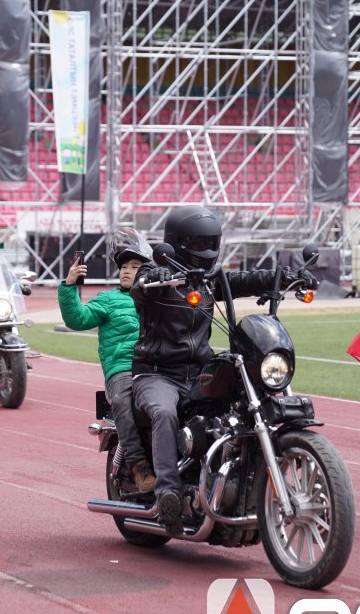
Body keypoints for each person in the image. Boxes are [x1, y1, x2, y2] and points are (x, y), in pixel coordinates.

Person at [129, 205, 317, 529]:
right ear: (177, 243)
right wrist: (154, 277)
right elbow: (140, 284)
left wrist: (285, 276)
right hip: (157, 372)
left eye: (209, 243)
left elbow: (241, 279)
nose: (204, 250)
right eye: (197, 243)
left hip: (198, 370)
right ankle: (168, 493)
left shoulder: (209, 281)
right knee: (164, 412)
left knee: (242, 399)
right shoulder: (156, 276)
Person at [58, 232, 154, 494]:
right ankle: (138, 465)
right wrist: (69, 285)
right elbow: (77, 319)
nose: (126, 271)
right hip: (122, 369)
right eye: (123, 267)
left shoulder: (159, 298)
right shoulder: (108, 299)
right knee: (123, 402)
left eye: (134, 266)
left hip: (156, 368)